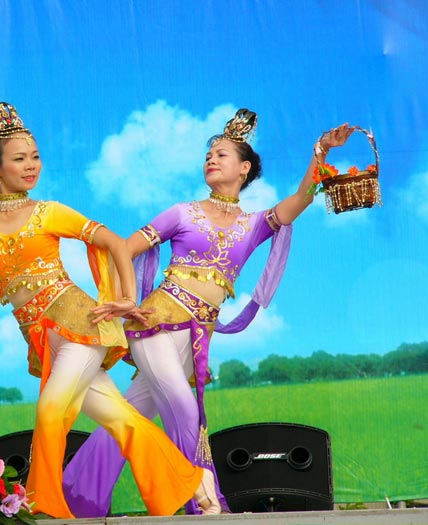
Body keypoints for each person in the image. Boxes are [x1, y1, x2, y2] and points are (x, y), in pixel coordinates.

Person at [0, 89, 223, 518]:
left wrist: (126, 298)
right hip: (43, 338)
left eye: (35, 157)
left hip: (78, 325)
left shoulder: (49, 212)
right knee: (122, 421)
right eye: (20, 158)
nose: (31, 166)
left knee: (51, 409)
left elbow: (116, 242)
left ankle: (44, 508)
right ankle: (196, 481)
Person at [63, 109, 356, 517]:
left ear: (244, 168)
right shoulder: (182, 213)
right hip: (155, 323)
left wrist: (321, 150)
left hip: (198, 335)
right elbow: (123, 249)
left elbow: (300, 201)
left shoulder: (253, 225)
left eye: (221, 154)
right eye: (208, 156)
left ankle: (75, 494)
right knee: (186, 410)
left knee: (127, 417)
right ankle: (203, 503)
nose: (211, 160)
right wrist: (127, 298)